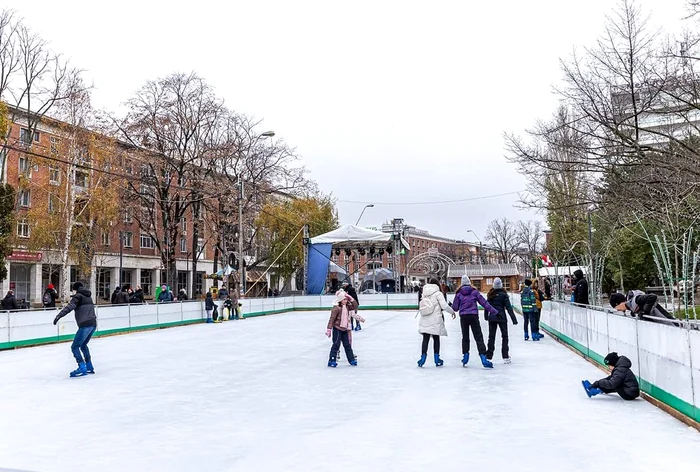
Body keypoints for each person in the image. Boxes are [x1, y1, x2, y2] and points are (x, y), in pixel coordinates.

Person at [52, 282, 97, 377]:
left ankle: (82, 367)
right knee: (83, 345)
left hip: (85, 325)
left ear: (75, 289)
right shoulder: (88, 296)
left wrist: (59, 316)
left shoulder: (78, 297)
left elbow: (69, 307)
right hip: (93, 324)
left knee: (75, 347)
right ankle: (89, 366)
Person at [452, 275, 499, 368]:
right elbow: (484, 303)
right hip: (473, 316)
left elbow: (455, 308)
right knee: (478, 337)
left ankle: (465, 356)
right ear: (469, 282)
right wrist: (495, 312)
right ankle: (484, 359)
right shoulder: (474, 292)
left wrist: (453, 305)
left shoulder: (458, 294)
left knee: (465, 337)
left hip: (464, 317)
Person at [417, 278, 455, 367]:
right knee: (436, 338)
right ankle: (437, 359)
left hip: (425, 318)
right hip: (435, 319)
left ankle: (423, 357)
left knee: (425, 338)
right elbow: (444, 306)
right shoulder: (438, 293)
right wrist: (452, 312)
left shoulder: (424, 293)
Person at [485, 277, 518, 364]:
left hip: (492, 318)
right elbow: (509, 307)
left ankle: (489, 356)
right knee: (505, 337)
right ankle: (505, 356)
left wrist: (486, 316)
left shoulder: (490, 294)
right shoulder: (504, 295)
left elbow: (486, 306)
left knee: (491, 337)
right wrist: (513, 319)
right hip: (502, 318)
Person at [326, 289, 358, 367]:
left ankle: (351, 360)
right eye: (344, 299)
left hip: (345, 328)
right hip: (337, 328)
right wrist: (329, 329)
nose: (345, 301)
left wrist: (350, 298)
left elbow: (355, 306)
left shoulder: (348, 306)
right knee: (336, 344)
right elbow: (332, 319)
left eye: (346, 299)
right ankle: (332, 360)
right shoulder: (336, 308)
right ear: (340, 300)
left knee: (347, 345)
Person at [609, 291, 675, 320]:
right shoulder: (631, 303)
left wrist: (645, 311)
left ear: (618, 303)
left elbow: (653, 297)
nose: (618, 310)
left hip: (666, 320)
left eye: (616, 307)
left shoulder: (636, 300)